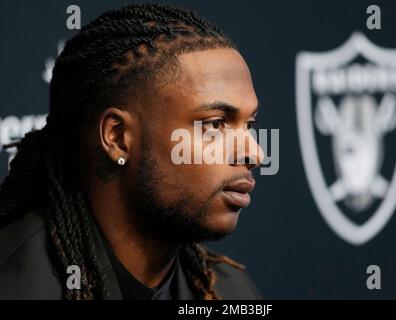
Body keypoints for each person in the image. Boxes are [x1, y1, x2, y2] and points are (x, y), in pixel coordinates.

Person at [0, 3, 263, 300]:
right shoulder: (16, 286)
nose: (254, 154)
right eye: (215, 124)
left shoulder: (226, 289)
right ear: (117, 137)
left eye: (249, 125)